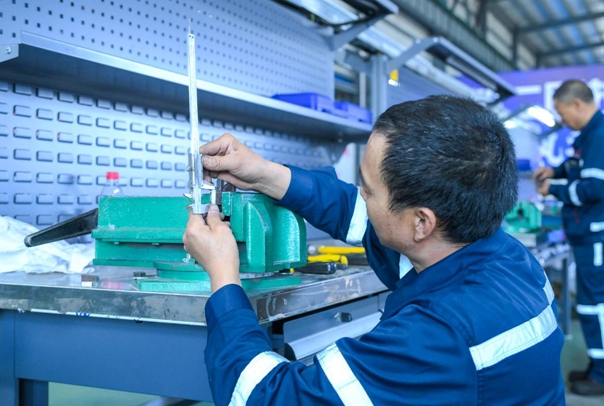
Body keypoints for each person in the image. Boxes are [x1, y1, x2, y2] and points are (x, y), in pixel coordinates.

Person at [184, 95, 565, 405]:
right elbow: (355, 213)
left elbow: (263, 398)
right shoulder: (507, 257)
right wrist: (266, 173)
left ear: (422, 222)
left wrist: (224, 278)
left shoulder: (433, 337)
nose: (361, 196)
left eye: (368, 189)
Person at [534, 79, 604, 397]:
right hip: (587, 235)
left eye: (563, 114)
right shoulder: (588, 136)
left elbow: (595, 188)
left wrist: (554, 189)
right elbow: (577, 168)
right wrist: (555, 171)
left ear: (577, 104)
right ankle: (596, 366)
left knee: (595, 305)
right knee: (590, 302)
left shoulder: (599, 135)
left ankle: (601, 375)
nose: (563, 121)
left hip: (595, 236)